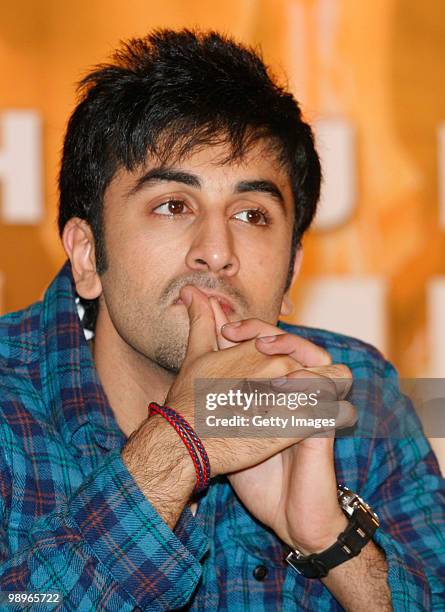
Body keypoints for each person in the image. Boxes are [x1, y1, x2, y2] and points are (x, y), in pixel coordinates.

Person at [0, 29, 443, 611]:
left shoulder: (354, 387)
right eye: (173, 206)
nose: (216, 250)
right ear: (87, 254)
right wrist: (179, 447)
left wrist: (332, 541)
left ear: (291, 269)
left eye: (252, 214)